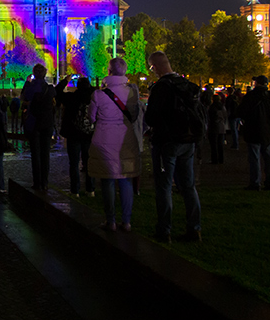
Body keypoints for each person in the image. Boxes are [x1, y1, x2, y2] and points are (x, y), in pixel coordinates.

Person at [143, 51, 202, 243]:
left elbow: (151, 117)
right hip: (188, 140)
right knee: (188, 186)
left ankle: (164, 230)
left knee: (164, 186)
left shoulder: (161, 88)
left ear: (155, 67)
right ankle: (194, 228)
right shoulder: (186, 85)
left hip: (166, 142)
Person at [88, 58, 141, 232]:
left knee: (108, 180)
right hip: (126, 138)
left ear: (108, 72)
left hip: (105, 138)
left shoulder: (98, 94)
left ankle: (110, 220)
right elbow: (134, 114)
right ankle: (126, 221)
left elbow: (92, 117)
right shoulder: (133, 93)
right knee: (126, 179)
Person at [59, 76, 96, 197]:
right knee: (89, 162)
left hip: (73, 133)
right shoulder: (94, 98)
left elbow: (57, 92)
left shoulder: (71, 97)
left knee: (74, 163)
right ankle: (90, 189)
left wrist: (65, 81)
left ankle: (75, 190)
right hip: (89, 133)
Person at [237, 75, 270, 190]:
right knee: (269, 158)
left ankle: (255, 182)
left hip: (253, 130)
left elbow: (241, 111)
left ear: (257, 83)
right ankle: (269, 181)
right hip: (267, 131)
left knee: (254, 158)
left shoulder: (251, 97)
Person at [21, 65, 56, 191]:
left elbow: (24, 97)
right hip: (47, 123)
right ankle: (45, 182)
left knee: (35, 154)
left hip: (33, 122)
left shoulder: (30, 88)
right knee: (45, 154)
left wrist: (27, 82)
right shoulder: (49, 88)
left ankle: (37, 182)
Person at [207, 93, 227, 164]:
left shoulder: (211, 107)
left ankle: (214, 159)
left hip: (213, 127)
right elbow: (225, 115)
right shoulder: (222, 107)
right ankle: (221, 159)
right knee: (220, 144)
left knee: (213, 144)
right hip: (221, 126)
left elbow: (209, 117)